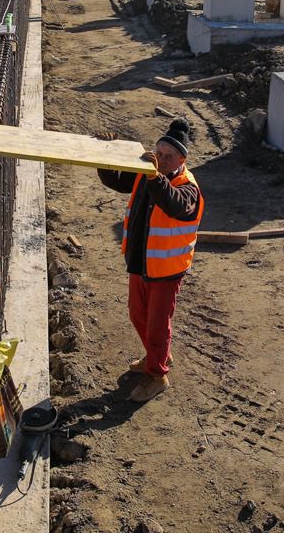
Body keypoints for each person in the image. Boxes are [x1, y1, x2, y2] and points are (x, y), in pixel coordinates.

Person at [97, 119, 204, 403]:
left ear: (182, 159)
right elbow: (115, 180)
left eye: (168, 156)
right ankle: (157, 355)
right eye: (159, 152)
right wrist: (104, 154)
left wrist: (155, 176)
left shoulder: (187, 187)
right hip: (141, 263)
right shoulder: (148, 173)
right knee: (137, 314)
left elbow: (173, 203)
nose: (162, 159)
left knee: (158, 325)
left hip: (167, 271)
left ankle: (157, 375)